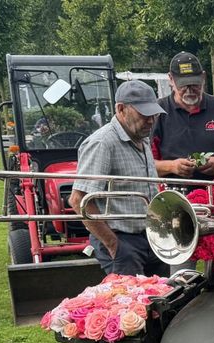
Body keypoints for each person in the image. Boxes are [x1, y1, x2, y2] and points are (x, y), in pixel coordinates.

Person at [69, 80, 167, 276]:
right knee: (130, 304)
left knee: (164, 298)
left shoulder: (141, 138)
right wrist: (113, 244)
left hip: (150, 237)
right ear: (121, 109)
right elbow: (78, 200)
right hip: (123, 241)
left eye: (154, 114)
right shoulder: (102, 143)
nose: (151, 120)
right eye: (144, 114)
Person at [151, 52, 214, 182]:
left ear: (203, 77)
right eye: (183, 85)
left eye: (195, 84)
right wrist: (172, 166)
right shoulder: (157, 112)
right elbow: (144, 165)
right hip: (174, 197)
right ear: (171, 79)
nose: (189, 90)